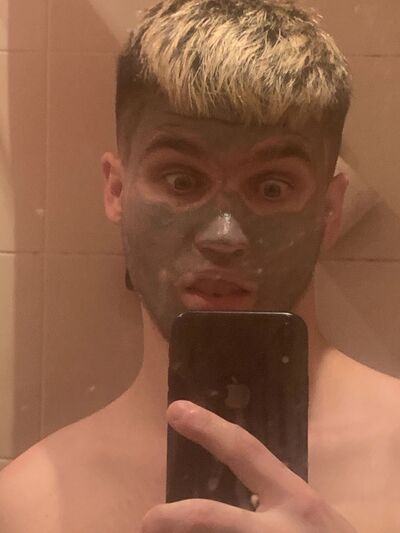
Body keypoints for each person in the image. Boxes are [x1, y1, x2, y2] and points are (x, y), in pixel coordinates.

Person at [1, 1, 399, 531]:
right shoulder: (27, 507)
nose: (224, 236)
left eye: (272, 187)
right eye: (181, 181)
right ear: (116, 191)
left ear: (329, 210)